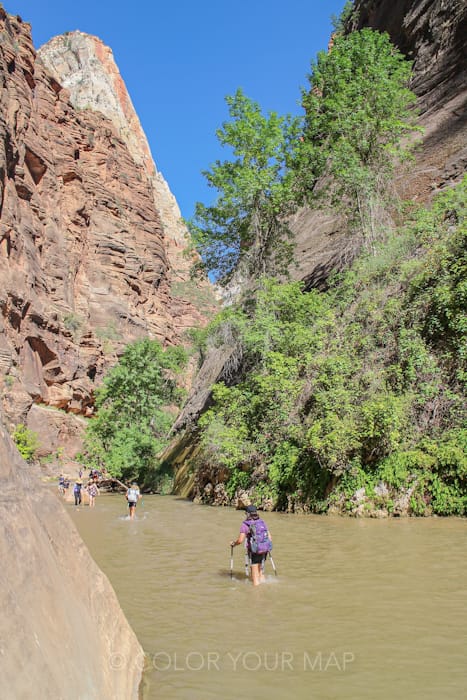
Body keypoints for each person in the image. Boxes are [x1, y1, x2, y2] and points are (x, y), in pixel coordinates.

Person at [230, 505, 272, 586]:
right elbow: (270, 537)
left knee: (254, 572)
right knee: (260, 570)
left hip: (255, 550)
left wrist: (233, 544)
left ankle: (256, 594)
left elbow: (240, 540)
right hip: (265, 548)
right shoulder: (261, 522)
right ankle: (264, 587)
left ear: (247, 513)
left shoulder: (246, 524)